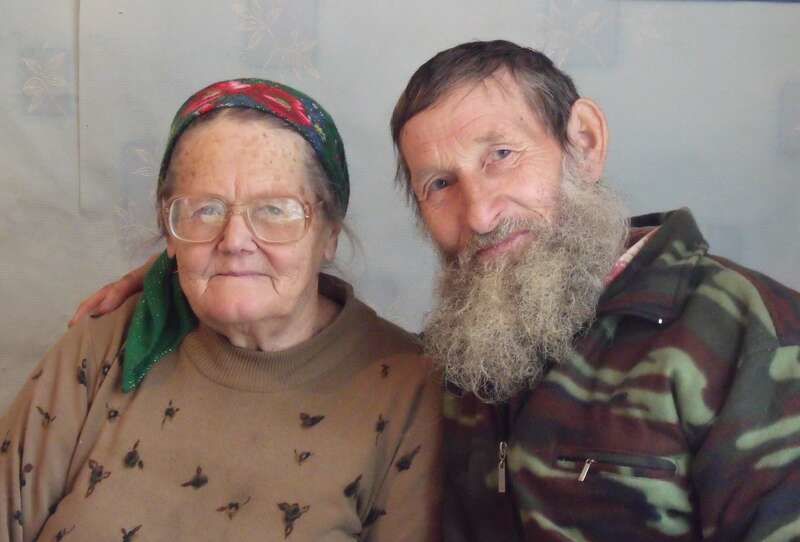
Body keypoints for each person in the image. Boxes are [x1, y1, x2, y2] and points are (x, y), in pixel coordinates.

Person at [70, 41, 800, 541]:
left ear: (582, 142)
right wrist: (199, 268)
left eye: (502, 155)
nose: (479, 214)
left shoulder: (750, 337)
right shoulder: (471, 351)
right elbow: (318, 333)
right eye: (440, 184)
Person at [0, 79, 441, 541]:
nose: (234, 242)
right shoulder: (109, 340)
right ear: (170, 232)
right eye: (205, 210)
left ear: (329, 233)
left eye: (274, 210)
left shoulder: (407, 389)